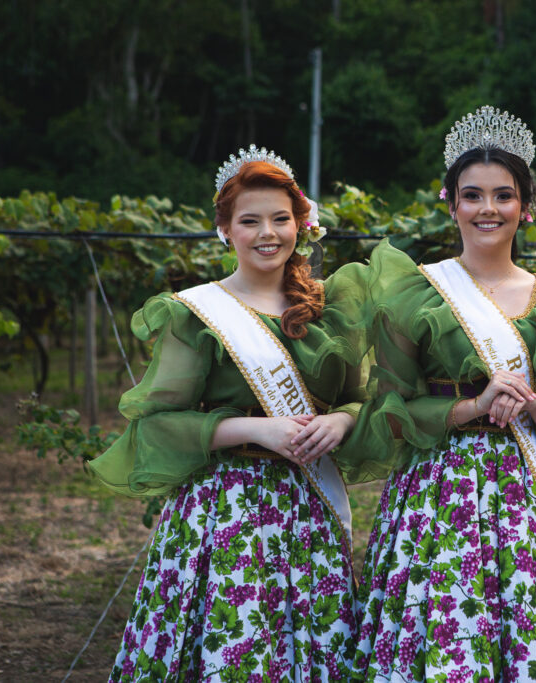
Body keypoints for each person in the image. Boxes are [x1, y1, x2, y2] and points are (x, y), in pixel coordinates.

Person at [341, 106, 536, 682]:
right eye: (472, 195)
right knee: (440, 631)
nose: (487, 209)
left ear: (525, 205)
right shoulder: (416, 295)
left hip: (525, 496)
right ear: (450, 202)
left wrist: (533, 403)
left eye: (503, 195)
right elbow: (389, 412)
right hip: (434, 499)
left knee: (518, 636)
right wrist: (473, 405)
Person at [88, 146, 367, 681]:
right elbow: (158, 424)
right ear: (225, 230)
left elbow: (362, 399)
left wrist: (342, 420)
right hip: (224, 516)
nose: (269, 233)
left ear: (301, 224)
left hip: (309, 511)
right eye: (250, 220)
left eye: (281, 218)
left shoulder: (328, 309)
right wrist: (254, 427)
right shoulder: (197, 314)